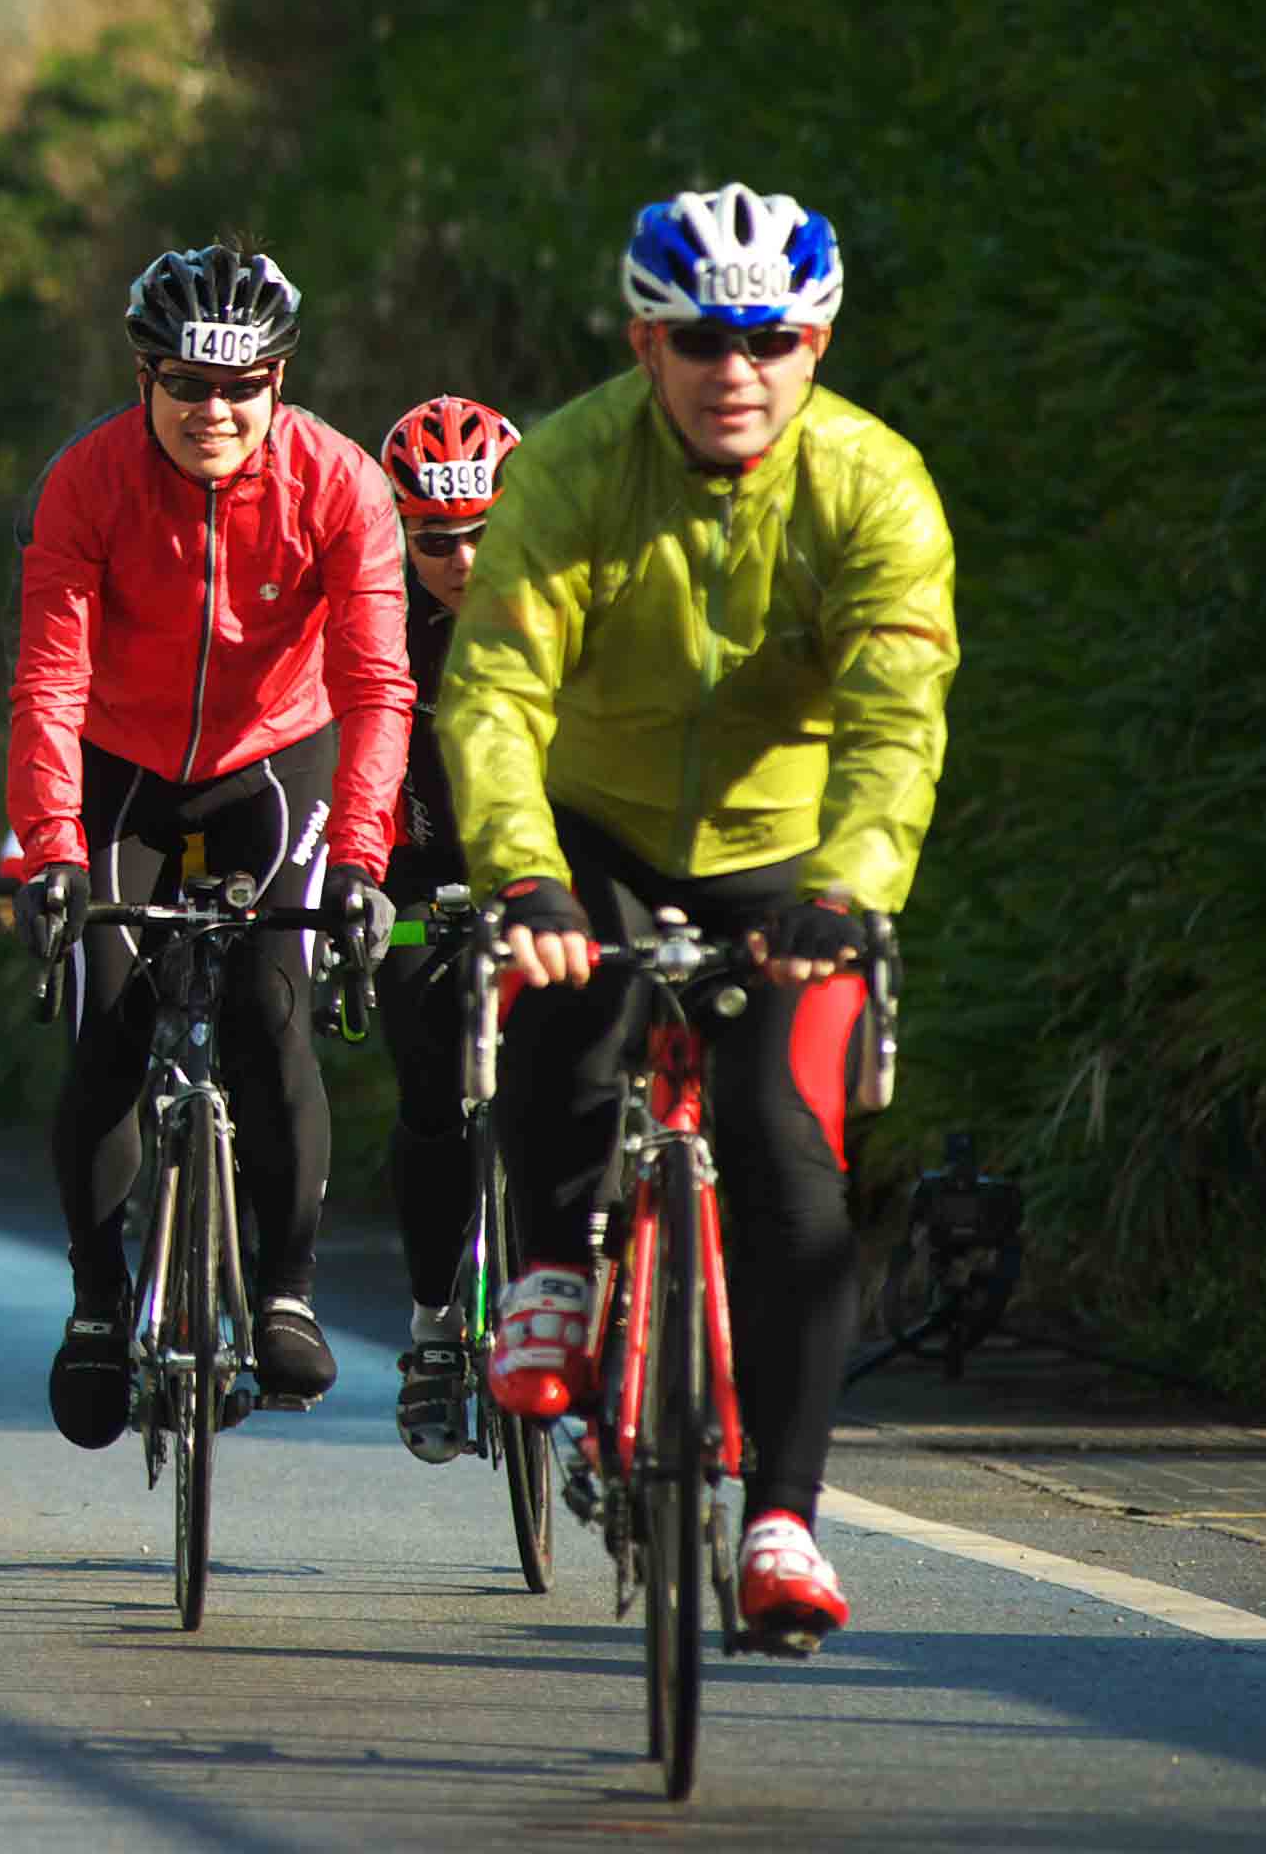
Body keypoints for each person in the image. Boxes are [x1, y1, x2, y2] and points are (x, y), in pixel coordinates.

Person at [441, 184, 955, 1655]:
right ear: (642, 343)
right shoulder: (575, 468)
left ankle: (783, 1519)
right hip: (596, 822)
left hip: (791, 858)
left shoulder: (874, 487)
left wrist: (851, 891)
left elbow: (895, 721)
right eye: (701, 340)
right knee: (563, 1000)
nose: (739, 372)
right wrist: (522, 876)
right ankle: (548, 1271)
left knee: (790, 1154)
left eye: (773, 340)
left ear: (820, 341)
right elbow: (492, 696)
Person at [10, 242, 412, 1449]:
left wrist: (359, 864)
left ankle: (282, 1292)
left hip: (269, 765)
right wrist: (51, 852)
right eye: (187, 383)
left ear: (278, 381)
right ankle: (94, 1302)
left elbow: (377, 685)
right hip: (119, 769)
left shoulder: (340, 484)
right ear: (145, 376)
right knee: (110, 1018)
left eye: (242, 386)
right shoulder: (84, 480)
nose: (214, 411)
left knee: (267, 1009)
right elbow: (46, 682)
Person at [368, 394, 524, 1464]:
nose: (460, 559)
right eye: (432, 539)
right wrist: (359, 886)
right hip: (422, 875)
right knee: (430, 1097)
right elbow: (347, 760)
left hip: (546, 875)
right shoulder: (379, 618)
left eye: (482, 533)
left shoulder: (565, 606)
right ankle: (432, 1329)